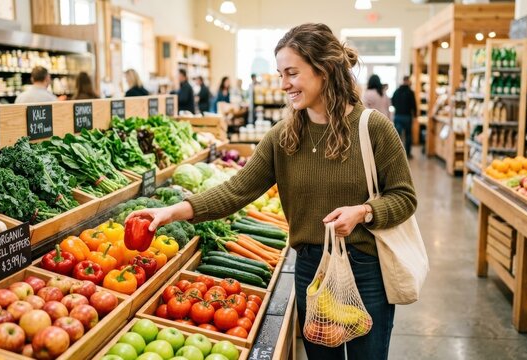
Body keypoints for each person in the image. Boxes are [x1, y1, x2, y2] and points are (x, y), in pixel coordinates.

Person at [126, 23, 416, 360]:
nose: (283, 84)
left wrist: (364, 212)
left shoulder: (373, 127)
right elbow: (236, 190)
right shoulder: (284, 136)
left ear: (323, 69)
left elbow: (404, 197)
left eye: (292, 73)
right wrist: (172, 211)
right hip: (312, 271)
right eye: (281, 74)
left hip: (366, 271)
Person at [391, 75, 417, 159]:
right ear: (408, 81)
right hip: (407, 117)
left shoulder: (397, 91)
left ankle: (396, 154)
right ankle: (408, 154)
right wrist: (415, 115)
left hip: (398, 116)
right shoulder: (410, 92)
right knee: (408, 135)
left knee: (397, 136)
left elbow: (393, 102)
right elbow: (414, 105)